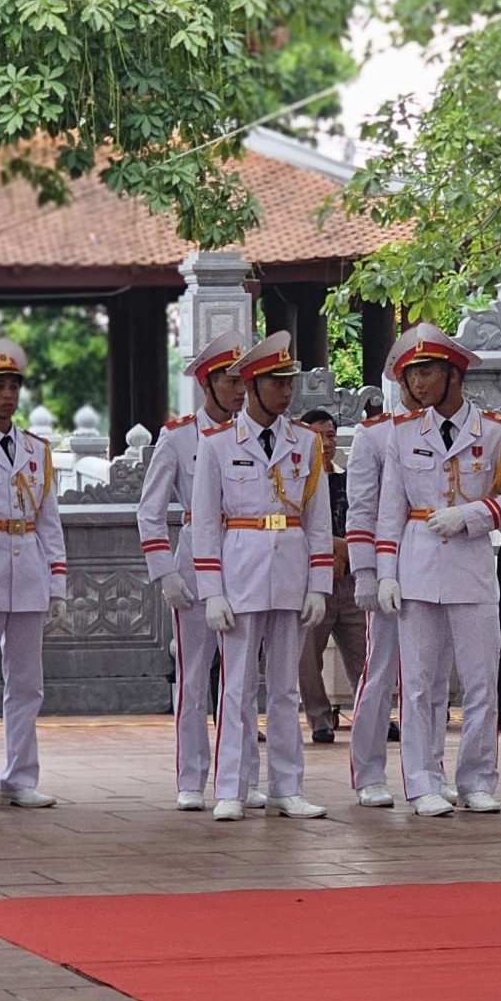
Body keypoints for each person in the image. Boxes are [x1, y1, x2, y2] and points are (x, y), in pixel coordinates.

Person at [376, 325, 501, 810]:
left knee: (480, 681)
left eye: (427, 372)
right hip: (418, 565)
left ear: (454, 374)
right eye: (412, 375)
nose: (418, 384)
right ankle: (424, 781)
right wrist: (386, 571)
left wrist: (472, 515)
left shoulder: (495, 430)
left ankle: (476, 781)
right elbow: (390, 509)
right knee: (421, 685)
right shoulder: (404, 434)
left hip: (471, 567)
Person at [189, 332, 333, 822]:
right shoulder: (216, 444)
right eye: (276, 383)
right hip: (241, 570)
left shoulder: (307, 443)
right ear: (251, 386)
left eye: (289, 383)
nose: (286, 392)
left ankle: (287, 787)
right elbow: (206, 521)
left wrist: (319, 584)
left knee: (286, 688)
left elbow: (318, 520)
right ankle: (231, 785)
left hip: (290, 570)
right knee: (237, 686)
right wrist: (211, 591)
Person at [137, 331, 255, 811]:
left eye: (243, 380)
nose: (239, 390)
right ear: (207, 383)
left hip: (245, 557)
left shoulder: (252, 431)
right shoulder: (179, 436)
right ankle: (191, 777)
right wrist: (165, 572)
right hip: (192, 562)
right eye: (229, 381)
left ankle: (242, 776)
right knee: (192, 676)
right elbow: (149, 510)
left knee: (242, 678)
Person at [0, 338, 68, 811]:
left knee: (27, 684)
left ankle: (20, 777)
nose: (7, 395)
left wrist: (57, 584)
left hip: (27, 571)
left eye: (13, 386)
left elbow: (50, 522)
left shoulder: (36, 450)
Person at [340, 344, 414, 808]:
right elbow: (361, 509)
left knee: (427, 677)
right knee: (381, 669)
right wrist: (365, 571)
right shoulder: (373, 436)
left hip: (434, 563)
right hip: (387, 565)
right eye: (414, 375)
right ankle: (369, 770)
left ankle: (427, 770)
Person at [296, 407, 366, 750]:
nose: (326, 442)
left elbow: (364, 517)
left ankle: (371, 716)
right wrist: (335, 549)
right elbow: (301, 526)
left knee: (363, 650)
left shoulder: (348, 478)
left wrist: (346, 553)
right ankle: (320, 719)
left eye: (331, 435)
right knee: (308, 654)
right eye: (318, 435)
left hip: (351, 577)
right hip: (312, 578)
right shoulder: (295, 479)